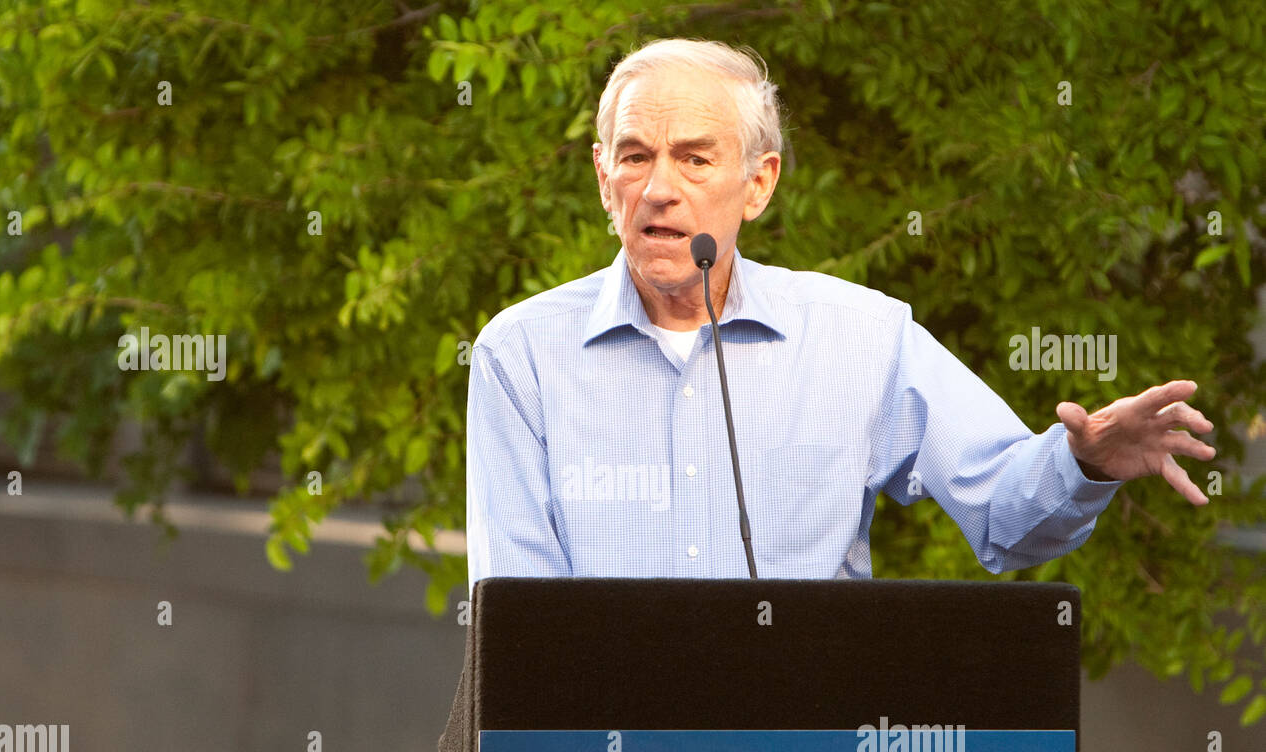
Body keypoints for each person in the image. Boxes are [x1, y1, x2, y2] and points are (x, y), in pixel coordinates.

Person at [465, 39, 1215, 588]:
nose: (658, 187)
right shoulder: (522, 356)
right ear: (604, 178)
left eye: (694, 159)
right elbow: (518, 626)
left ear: (758, 184)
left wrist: (1082, 462)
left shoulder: (861, 339)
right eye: (634, 157)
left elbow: (1006, 515)